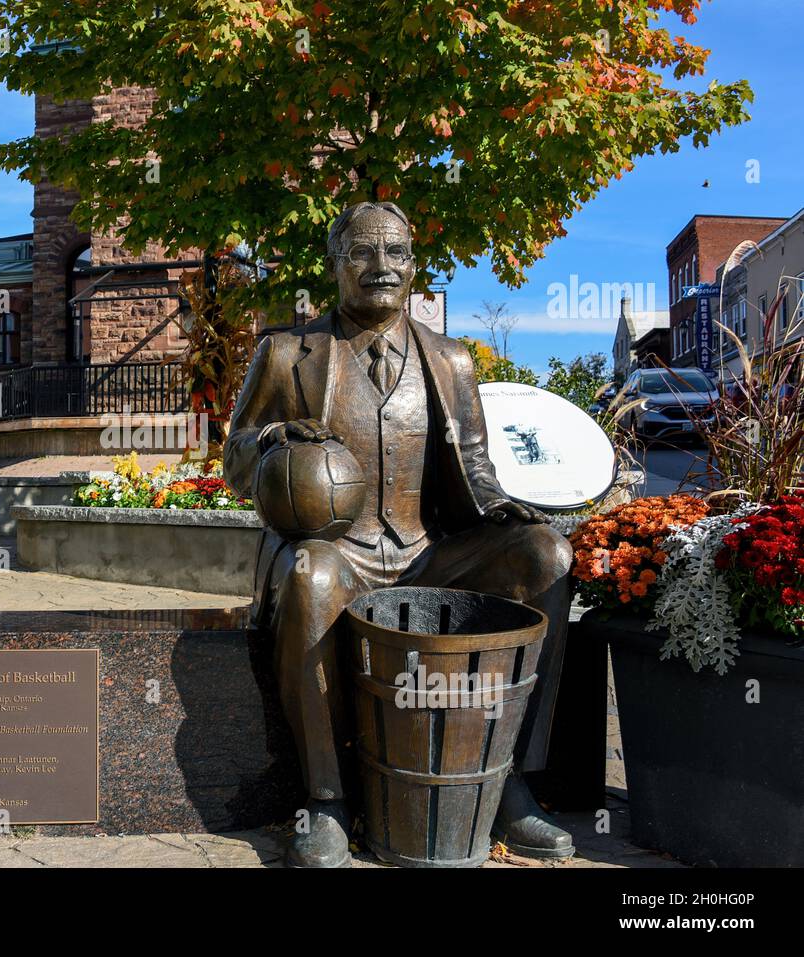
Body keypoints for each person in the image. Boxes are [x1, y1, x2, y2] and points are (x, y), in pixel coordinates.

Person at [224, 202, 574, 868]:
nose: (381, 266)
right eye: (361, 252)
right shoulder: (285, 353)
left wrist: (504, 508)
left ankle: (509, 785)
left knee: (547, 555)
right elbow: (233, 457)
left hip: (428, 552)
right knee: (311, 574)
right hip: (338, 552)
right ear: (333, 265)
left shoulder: (451, 360)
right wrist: (273, 441)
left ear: (414, 265)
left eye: (396, 252)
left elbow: (474, 468)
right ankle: (327, 802)